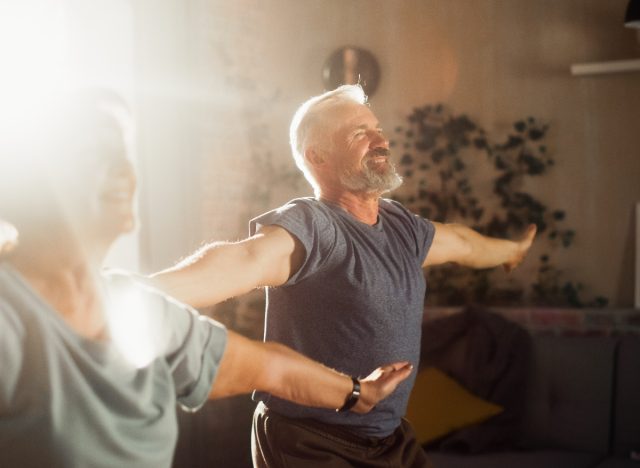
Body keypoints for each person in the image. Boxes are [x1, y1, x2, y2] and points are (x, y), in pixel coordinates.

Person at [0, 89, 413, 468]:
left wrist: (359, 393)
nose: (122, 169)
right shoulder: (10, 313)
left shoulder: (138, 310)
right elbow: (243, 264)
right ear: (25, 181)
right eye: (92, 153)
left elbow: (270, 368)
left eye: (121, 152)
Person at [151, 84, 537, 467]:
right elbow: (245, 260)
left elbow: (463, 244)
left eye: (377, 129)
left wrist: (511, 252)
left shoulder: (400, 226)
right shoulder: (314, 225)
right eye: (359, 133)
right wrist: (139, 293)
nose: (379, 139)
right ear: (318, 155)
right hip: (312, 442)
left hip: (388, 438)